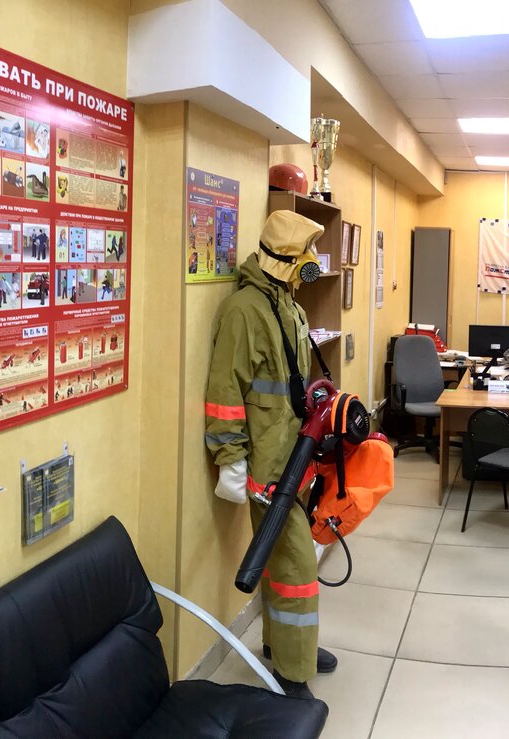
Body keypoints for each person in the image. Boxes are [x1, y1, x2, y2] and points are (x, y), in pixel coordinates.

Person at [205, 210, 335, 700]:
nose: (312, 261)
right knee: (297, 566)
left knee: (283, 562)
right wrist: (230, 458)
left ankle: (284, 645)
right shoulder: (244, 311)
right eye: (306, 252)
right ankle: (293, 672)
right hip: (267, 467)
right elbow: (225, 390)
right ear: (285, 257)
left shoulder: (288, 305)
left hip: (294, 455)